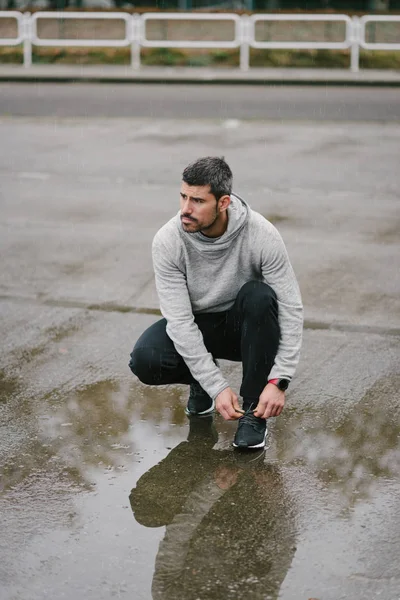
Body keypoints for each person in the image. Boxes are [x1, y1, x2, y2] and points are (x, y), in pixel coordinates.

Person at [129, 156, 303, 449]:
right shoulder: (168, 240)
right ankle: (200, 381)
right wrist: (216, 385)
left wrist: (279, 381)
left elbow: (290, 307)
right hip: (199, 326)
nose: (185, 209)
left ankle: (252, 412)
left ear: (223, 203)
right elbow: (180, 322)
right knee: (146, 360)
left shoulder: (261, 234)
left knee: (260, 296)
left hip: (245, 330)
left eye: (197, 201)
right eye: (183, 196)